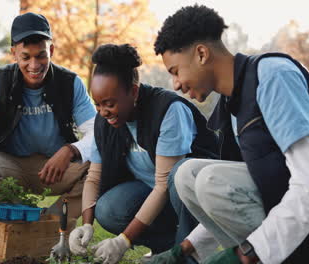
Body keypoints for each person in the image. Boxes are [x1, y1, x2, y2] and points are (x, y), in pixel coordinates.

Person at [147, 4, 309, 264]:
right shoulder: (231, 105)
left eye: (176, 71)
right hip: (291, 217)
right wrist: (185, 249)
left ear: (201, 54)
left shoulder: (273, 77)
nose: (176, 84)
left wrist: (243, 256)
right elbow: (241, 191)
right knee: (188, 174)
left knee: (209, 179)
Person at [67, 43, 218, 264]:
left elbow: (164, 185)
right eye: (98, 105)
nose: (103, 112)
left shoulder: (168, 110)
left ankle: (186, 253)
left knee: (178, 177)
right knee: (108, 208)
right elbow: (94, 177)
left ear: (134, 91)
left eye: (109, 103)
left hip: (191, 195)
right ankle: (162, 247)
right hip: (152, 192)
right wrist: (86, 225)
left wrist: (123, 241)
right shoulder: (104, 121)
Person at [0, 12, 96, 234]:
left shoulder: (70, 82)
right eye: (25, 57)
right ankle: (18, 215)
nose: (34, 65)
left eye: (41, 55)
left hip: (55, 169)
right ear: (14, 54)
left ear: (51, 50)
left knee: (104, 164)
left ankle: (51, 223)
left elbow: (98, 133)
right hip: (9, 166)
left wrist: (70, 150)